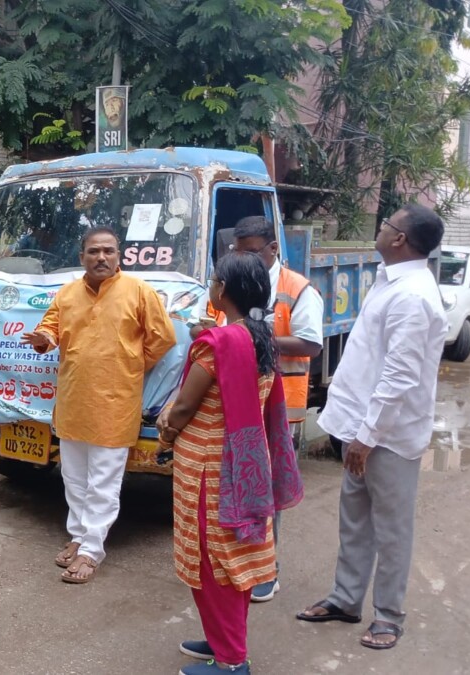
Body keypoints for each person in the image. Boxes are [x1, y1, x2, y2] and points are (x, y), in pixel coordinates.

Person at [297, 204, 448, 651]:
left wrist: (367, 436)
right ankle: (345, 598)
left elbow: (400, 376)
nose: (380, 230)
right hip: (360, 425)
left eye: (386, 225)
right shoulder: (391, 282)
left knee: (391, 528)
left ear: (400, 239)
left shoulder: (413, 296)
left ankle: (388, 617)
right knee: (355, 521)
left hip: (388, 436)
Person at [160, 252, 304, 675]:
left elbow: (185, 406)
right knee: (232, 558)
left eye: (214, 280)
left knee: (213, 560)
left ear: (222, 290)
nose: (211, 285)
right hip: (242, 464)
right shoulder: (260, 336)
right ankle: (223, 638)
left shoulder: (218, 345)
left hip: (209, 468)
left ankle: (230, 662)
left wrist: (165, 432)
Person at [21, 227, 175, 583]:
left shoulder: (139, 292)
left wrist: (132, 363)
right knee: (74, 478)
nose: (101, 257)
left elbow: (163, 338)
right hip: (74, 399)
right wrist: (43, 339)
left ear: (119, 255)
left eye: (108, 251)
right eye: (93, 251)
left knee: (103, 482)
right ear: (82, 257)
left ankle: (92, 549)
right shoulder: (68, 293)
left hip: (115, 402)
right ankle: (79, 536)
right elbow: (50, 328)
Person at [214, 216, 325, 602]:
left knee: (266, 490)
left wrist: (251, 338)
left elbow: (311, 344)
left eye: (250, 250)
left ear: (272, 248)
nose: (242, 255)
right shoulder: (230, 281)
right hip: (233, 408)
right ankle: (239, 562)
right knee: (236, 488)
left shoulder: (296, 288)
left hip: (278, 407)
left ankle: (266, 571)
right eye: (237, 249)